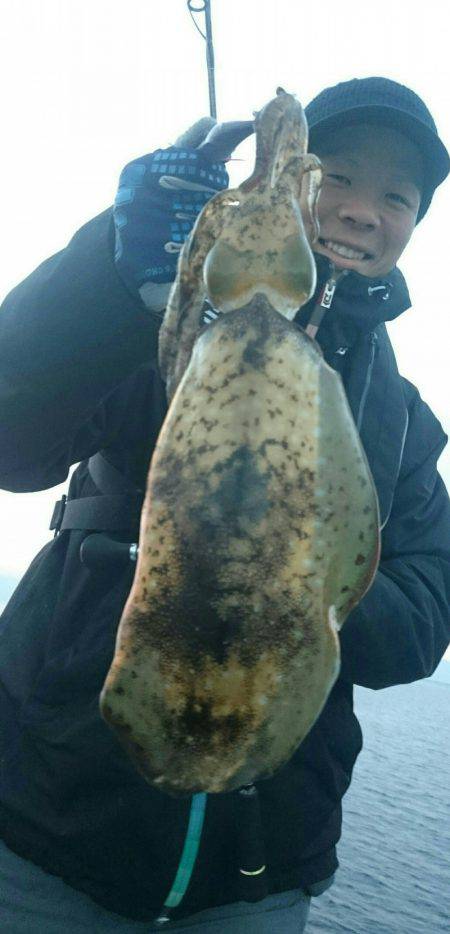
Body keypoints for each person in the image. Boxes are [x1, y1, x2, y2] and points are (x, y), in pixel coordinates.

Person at [0, 75, 449, 933]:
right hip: (44, 836)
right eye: (339, 177)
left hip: (258, 874)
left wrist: (280, 576)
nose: (362, 210)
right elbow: (11, 435)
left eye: (397, 196)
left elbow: (426, 618)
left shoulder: (403, 420)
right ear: (296, 189)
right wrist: (103, 273)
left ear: (413, 227)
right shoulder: (162, 327)